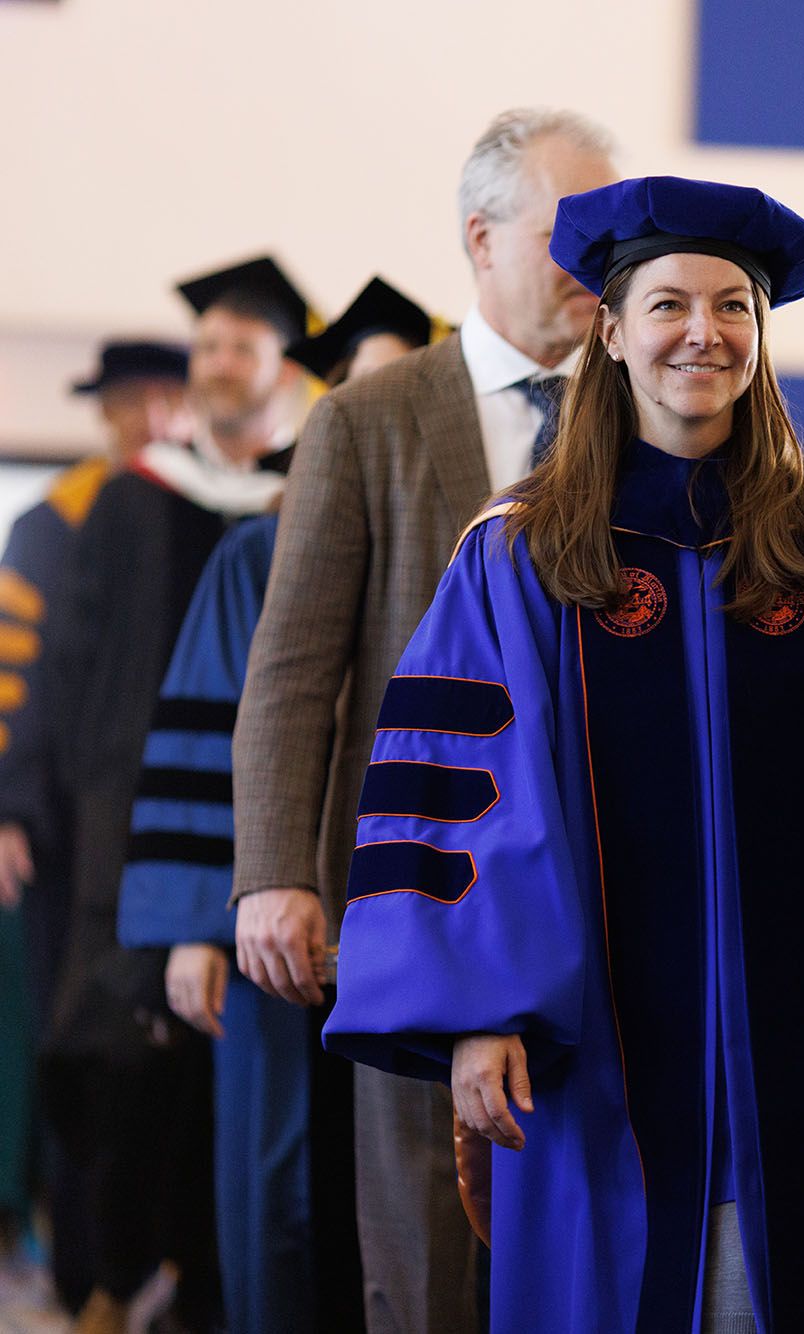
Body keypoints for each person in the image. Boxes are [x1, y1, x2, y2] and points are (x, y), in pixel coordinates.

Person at [321, 175, 804, 1334]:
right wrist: (481, 1007)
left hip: (801, 1041)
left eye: (733, 305)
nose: (703, 331)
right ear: (608, 328)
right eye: (667, 304)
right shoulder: (525, 552)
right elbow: (462, 800)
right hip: (592, 1037)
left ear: (760, 331)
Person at [231, 108, 616, 1333]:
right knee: (427, 1238)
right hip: (423, 894)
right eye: (569, 233)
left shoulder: (648, 418)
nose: (595, 263)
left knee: (597, 1233)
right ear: (479, 238)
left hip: (607, 894)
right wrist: (274, 872)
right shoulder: (370, 421)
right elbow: (293, 670)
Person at [117, 276, 444, 1334]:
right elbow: (207, 736)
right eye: (364, 382)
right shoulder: (259, 548)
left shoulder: (474, 549)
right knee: (281, 1178)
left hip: (422, 915)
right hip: (281, 916)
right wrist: (194, 925)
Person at [40, 256, 312, 1334]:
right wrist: (43, 801)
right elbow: (72, 664)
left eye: (239, 346)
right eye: (205, 346)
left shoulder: (303, 497)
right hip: (125, 825)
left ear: (280, 365)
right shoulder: (132, 496)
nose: (216, 363)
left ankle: (202, 1287)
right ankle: (103, 1273)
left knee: (226, 1083)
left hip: (246, 824)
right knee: (115, 1059)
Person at [0, 338, 190, 1305]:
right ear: (106, 410)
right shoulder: (52, 518)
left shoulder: (196, 505)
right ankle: (71, 1256)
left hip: (162, 820)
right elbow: (15, 684)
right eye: (135, 401)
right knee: (71, 1034)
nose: (154, 417)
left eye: (170, 397)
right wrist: (12, 806)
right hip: (70, 828)